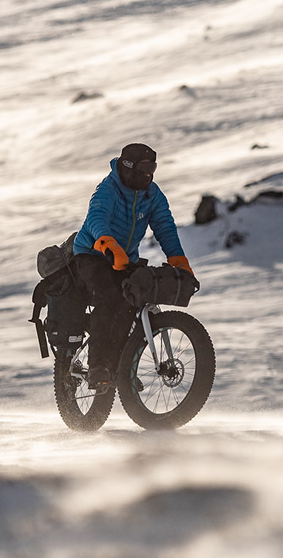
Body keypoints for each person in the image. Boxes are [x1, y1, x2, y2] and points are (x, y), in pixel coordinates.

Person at [72, 143, 195, 390]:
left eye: (153, 169)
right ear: (128, 168)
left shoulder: (152, 194)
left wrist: (179, 262)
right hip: (91, 254)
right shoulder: (108, 189)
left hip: (124, 258)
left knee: (132, 301)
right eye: (144, 169)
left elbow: (165, 228)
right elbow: (96, 218)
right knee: (108, 296)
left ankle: (119, 364)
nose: (149, 175)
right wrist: (109, 246)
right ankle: (97, 366)